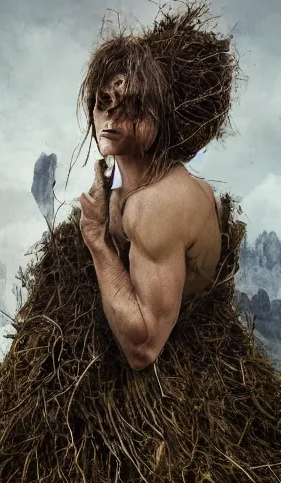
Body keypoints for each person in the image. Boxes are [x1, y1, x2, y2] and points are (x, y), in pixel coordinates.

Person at [76, 7, 236, 371]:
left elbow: (144, 348)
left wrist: (96, 242)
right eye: (103, 101)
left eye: (130, 103)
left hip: (184, 382)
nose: (111, 115)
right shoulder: (126, 196)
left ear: (157, 115)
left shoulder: (157, 203)